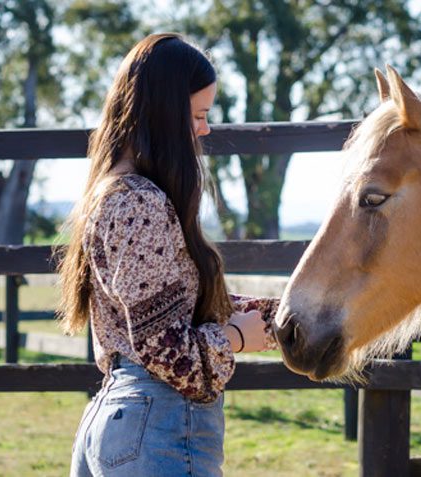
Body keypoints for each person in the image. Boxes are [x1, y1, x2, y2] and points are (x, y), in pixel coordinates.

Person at [57, 33, 279, 477]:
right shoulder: (139, 202)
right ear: (163, 113)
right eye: (198, 115)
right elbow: (165, 351)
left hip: (126, 418)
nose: (205, 129)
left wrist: (283, 317)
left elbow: (165, 312)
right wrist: (235, 339)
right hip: (157, 423)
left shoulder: (115, 196)